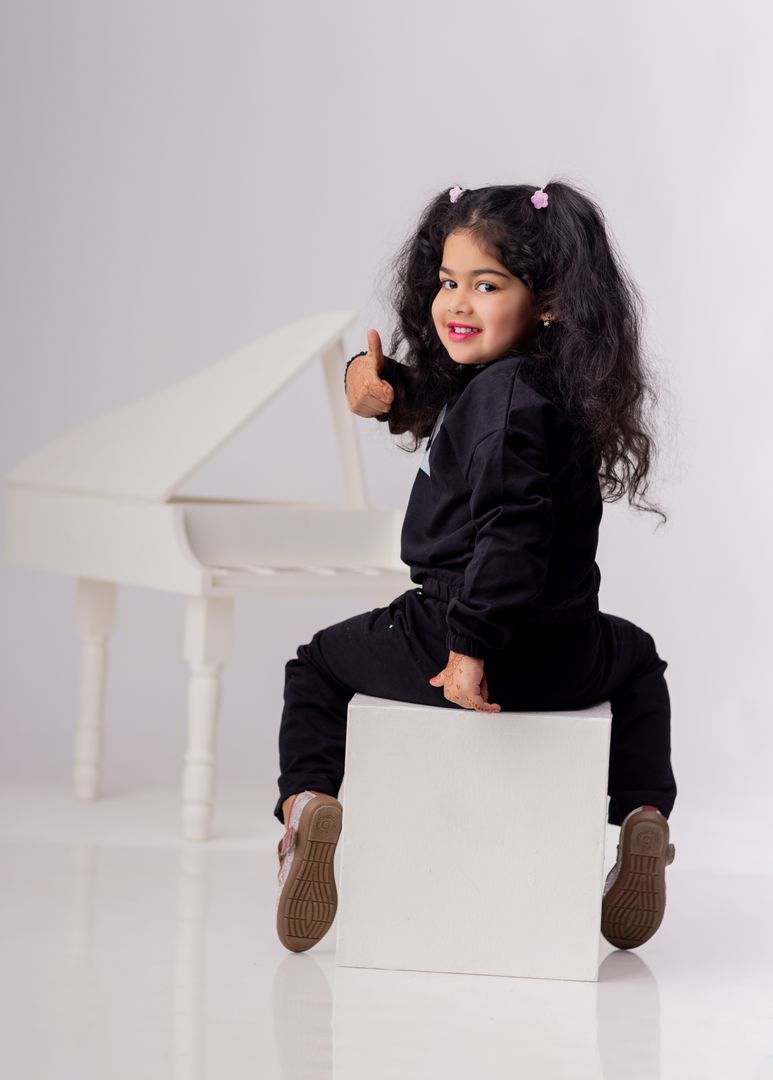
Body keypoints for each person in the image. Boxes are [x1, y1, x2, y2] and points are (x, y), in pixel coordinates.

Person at [274, 180, 677, 955]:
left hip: (465, 643)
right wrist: (381, 387)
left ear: (546, 300)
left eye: (485, 286)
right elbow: (449, 401)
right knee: (635, 662)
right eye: (447, 282)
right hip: (567, 651)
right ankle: (642, 818)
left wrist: (469, 646)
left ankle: (305, 811)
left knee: (316, 667)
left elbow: (510, 531)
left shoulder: (503, 401)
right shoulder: (536, 386)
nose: (456, 303)